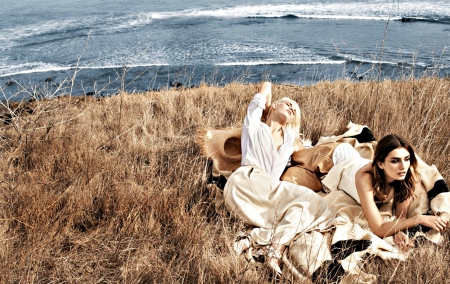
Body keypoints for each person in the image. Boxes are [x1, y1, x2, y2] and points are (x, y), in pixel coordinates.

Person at [223, 82, 332, 275]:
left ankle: (266, 245)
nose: (292, 108)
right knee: (310, 201)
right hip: (244, 181)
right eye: (288, 104)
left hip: (268, 188)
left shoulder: (289, 138)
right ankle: (271, 248)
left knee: (306, 208)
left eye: (295, 109)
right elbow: (266, 85)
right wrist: (266, 107)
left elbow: (306, 156)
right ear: (273, 105)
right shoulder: (254, 124)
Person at [323, 134, 449, 251]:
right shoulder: (365, 178)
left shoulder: (407, 174)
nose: (403, 166)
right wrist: (419, 219)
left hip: (358, 160)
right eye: (395, 161)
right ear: (380, 163)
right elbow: (378, 228)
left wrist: (399, 232)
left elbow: (401, 217)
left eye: (406, 159)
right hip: (338, 159)